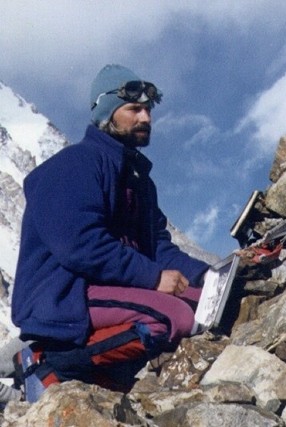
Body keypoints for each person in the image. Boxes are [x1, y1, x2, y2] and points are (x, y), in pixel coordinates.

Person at [10, 65, 214, 402]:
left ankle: (104, 379)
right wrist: (152, 278)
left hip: (108, 284)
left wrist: (206, 277)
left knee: (202, 306)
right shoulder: (74, 164)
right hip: (66, 292)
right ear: (107, 114)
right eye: (134, 109)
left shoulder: (137, 181)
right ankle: (48, 362)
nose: (145, 118)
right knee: (173, 317)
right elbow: (77, 245)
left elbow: (157, 248)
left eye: (148, 109)